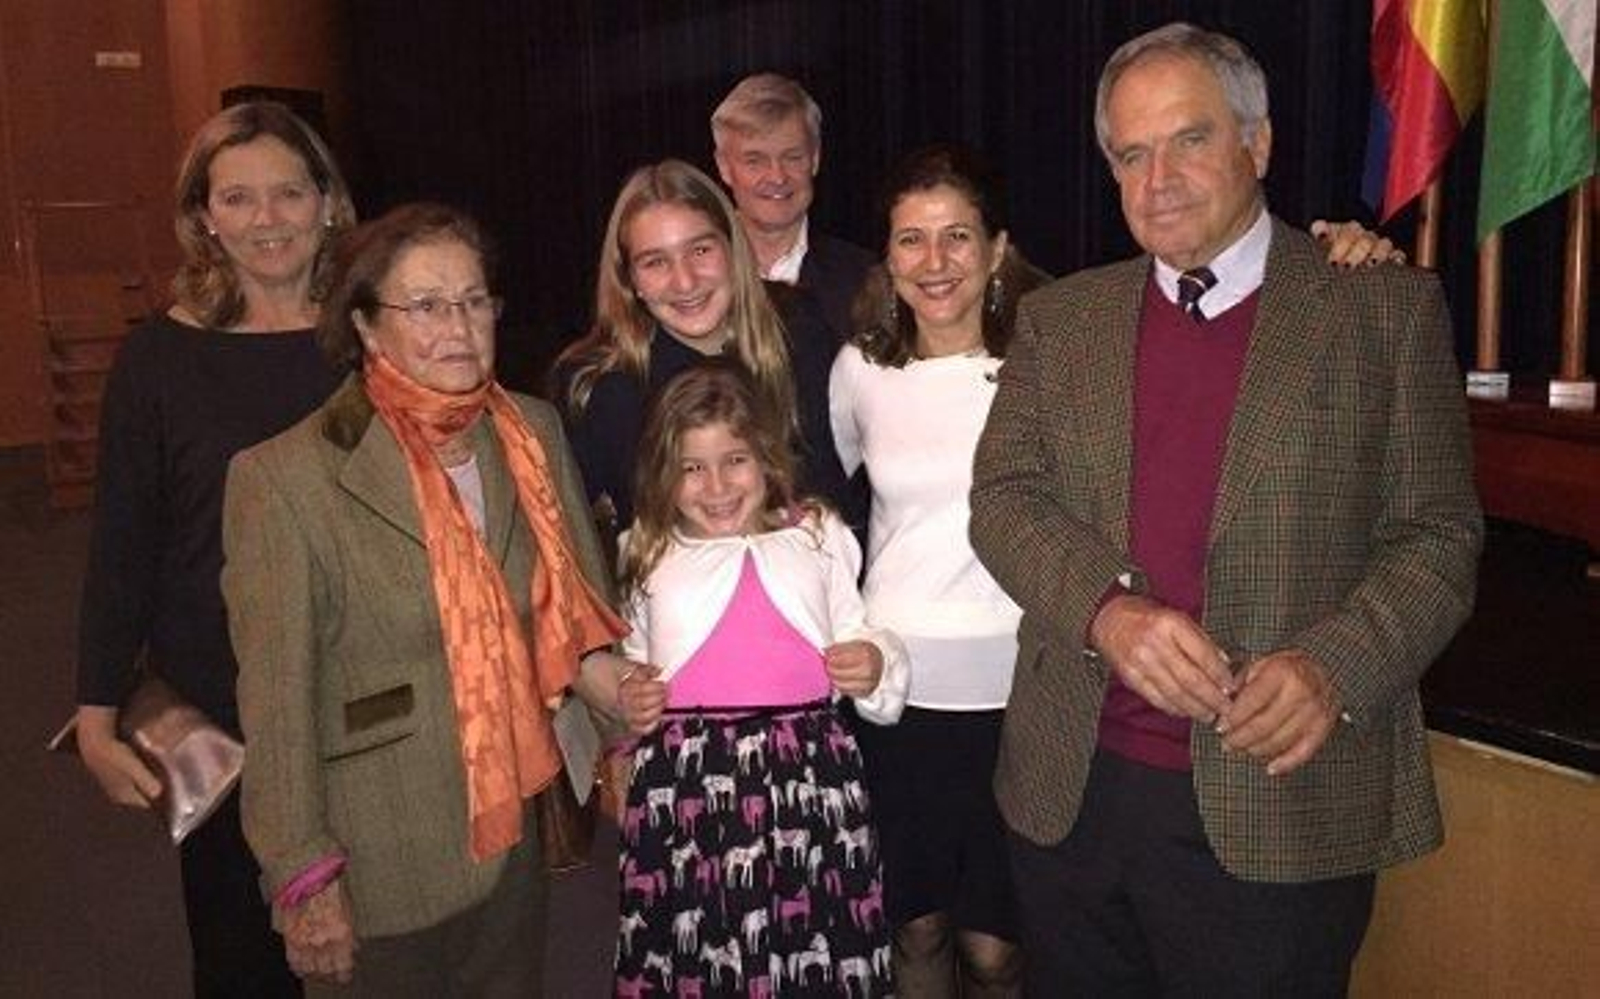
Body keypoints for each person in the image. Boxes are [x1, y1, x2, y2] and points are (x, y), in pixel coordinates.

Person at [968, 22, 1482, 996]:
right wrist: (1104, 612)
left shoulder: (1380, 311)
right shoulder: (1060, 320)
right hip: (1071, 793)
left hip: (1277, 797)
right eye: (1129, 153)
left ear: (1258, 144)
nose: (1155, 177)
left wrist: (1335, 667)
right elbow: (1002, 500)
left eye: (1188, 139)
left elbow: (1438, 538)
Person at [220, 202, 627, 995]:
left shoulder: (530, 432)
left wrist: (620, 744)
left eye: (475, 301)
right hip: (381, 851)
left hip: (516, 826)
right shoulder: (286, 480)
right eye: (428, 305)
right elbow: (275, 702)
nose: (459, 327)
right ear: (369, 327)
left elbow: (582, 604)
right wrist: (303, 872)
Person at [73, 100, 355, 997]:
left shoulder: (377, 342)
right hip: (218, 703)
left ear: (327, 202)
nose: (267, 220)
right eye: (238, 198)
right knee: (242, 956)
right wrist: (95, 705)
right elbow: (124, 537)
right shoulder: (157, 359)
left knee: (384, 941)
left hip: (366, 687)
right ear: (203, 215)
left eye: (288, 193)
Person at [599, 360, 906, 995]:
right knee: (703, 939)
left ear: (766, 457)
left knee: (816, 937)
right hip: (689, 779)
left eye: (734, 459)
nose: (716, 485)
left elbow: (860, 627)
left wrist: (873, 662)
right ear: (664, 473)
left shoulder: (817, 534)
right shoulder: (646, 549)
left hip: (809, 772)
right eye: (691, 467)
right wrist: (630, 701)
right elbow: (632, 660)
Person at [829, 143, 1048, 997]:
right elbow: (842, 500)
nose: (934, 262)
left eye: (957, 236)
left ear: (997, 249)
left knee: (996, 946)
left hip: (1017, 693)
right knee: (913, 927)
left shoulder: (1042, 364)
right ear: (887, 256)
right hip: (896, 696)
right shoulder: (861, 371)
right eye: (910, 239)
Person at [554, 158, 846, 544]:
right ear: (630, 280)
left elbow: (839, 497)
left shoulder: (800, 332)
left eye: (700, 250)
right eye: (655, 261)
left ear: (733, 247)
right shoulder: (597, 385)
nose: (685, 280)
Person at [711, 72, 876, 341]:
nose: (777, 177)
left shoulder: (866, 279)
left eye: (792, 157)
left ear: (815, 158)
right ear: (724, 167)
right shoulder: (696, 278)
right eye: (755, 161)